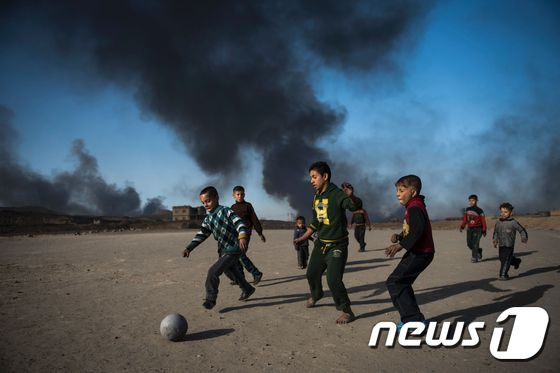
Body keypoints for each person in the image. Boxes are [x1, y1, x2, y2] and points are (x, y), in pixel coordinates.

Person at [294, 161, 362, 324]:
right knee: (311, 273)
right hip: (321, 244)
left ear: (325, 177)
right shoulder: (316, 197)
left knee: (333, 279)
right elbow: (316, 222)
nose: (311, 180)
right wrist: (303, 237)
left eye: (314, 177)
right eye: (310, 177)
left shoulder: (337, 194)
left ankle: (347, 310)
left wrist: (350, 196)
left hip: (337, 245)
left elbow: (354, 207)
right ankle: (317, 295)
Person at [182, 186, 255, 309]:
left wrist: (242, 235)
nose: (206, 204)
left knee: (213, 272)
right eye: (203, 202)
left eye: (208, 201)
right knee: (231, 272)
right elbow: (201, 234)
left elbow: (239, 223)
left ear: (216, 198)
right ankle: (247, 288)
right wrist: (189, 248)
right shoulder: (208, 219)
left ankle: (210, 299)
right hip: (223, 250)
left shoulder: (226, 211)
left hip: (234, 247)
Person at [385, 175, 435, 331]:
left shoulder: (415, 207)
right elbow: (413, 229)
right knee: (400, 282)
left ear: (413, 192)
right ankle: (413, 318)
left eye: (401, 190)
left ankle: (413, 321)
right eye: (396, 191)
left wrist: (401, 245)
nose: (397, 194)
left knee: (395, 282)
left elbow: (418, 230)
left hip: (421, 253)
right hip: (419, 252)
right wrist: (400, 236)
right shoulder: (414, 205)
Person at [230, 185, 265, 285]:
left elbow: (254, 219)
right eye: (238, 194)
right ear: (233, 195)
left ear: (244, 194)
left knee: (240, 255)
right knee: (235, 257)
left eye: (242, 194)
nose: (240, 196)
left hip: (246, 235)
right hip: (235, 235)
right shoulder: (232, 207)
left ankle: (256, 273)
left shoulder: (248, 206)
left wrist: (260, 233)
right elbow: (230, 222)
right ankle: (240, 278)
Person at [493, 202, 528, 280]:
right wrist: (495, 240)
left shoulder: (513, 222)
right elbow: (495, 232)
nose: (503, 214)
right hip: (501, 245)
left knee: (505, 260)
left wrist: (524, 237)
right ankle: (516, 261)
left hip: (509, 245)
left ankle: (503, 275)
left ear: (511, 213)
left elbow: (521, 230)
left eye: (506, 212)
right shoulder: (498, 222)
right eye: (502, 212)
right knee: (502, 259)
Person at [459, 194, 487, 263]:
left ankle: (474, 257)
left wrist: (484, 229)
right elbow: (465, 219)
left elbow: (483, 221)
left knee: (475, 243)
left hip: (478, 229)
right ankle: (478, 250)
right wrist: (462, 226)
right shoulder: (467, 209)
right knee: (469, 244)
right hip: (469, 229)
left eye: (473, 200)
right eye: (470, 201)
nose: (471, 202)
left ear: (476, 201)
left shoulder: (479, 210)